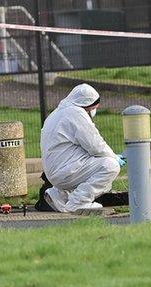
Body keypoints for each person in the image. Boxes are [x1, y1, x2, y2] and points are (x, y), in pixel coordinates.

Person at [39, 84, 125, 213]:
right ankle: (78, 203)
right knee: (110, 167)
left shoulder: (56, 113)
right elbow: (95, 145)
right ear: (88, 105)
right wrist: (114, 157)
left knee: (96, 168)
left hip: (56, 171)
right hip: (64, 170)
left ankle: (59, 196)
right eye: (94, 108)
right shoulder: (77, 113)